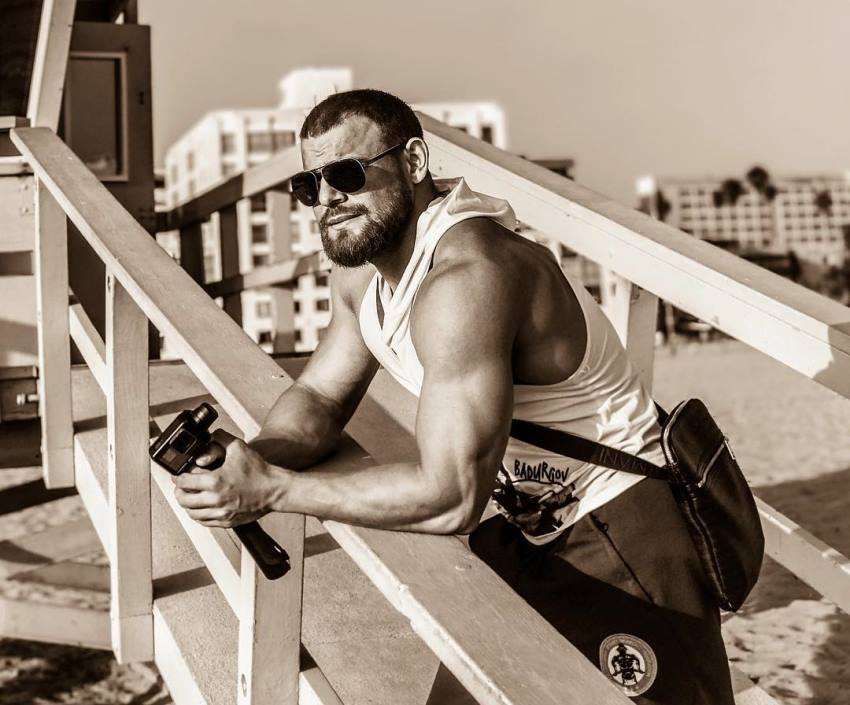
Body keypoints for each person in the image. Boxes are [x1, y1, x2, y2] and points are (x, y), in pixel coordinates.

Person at [172, 89, 734, 704]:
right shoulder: (363, 273)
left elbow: (451, 497)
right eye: (311, 185)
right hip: (527, 524)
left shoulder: (471, 276)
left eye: (346, 174)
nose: (328, 199)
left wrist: (275, 491)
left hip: (625, 532)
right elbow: (322, 395)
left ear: (413, 162)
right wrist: (253, 460)